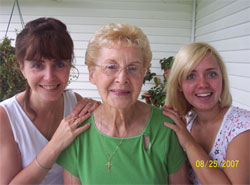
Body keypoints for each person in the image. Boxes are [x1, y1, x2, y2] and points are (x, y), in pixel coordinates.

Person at [57, 23, 190, 184]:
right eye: (111, 67)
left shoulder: (166, 128)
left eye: (133, 68)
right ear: (92, 75)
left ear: (143, 74)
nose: (122, 78)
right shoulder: (77, 132)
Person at [0, 17, 99, 185]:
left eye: (59, 64)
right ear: (22, 67)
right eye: (38, 65)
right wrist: (56, 144)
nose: (50, 77)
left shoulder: (75, 103)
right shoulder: (6, 116)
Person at [163, 42, 250, 184]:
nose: (203, 84)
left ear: (222, 78)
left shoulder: (242, 127)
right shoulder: (186, 125)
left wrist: (189, 143)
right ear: (179, 85)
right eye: (191, 76)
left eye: (211, 74)